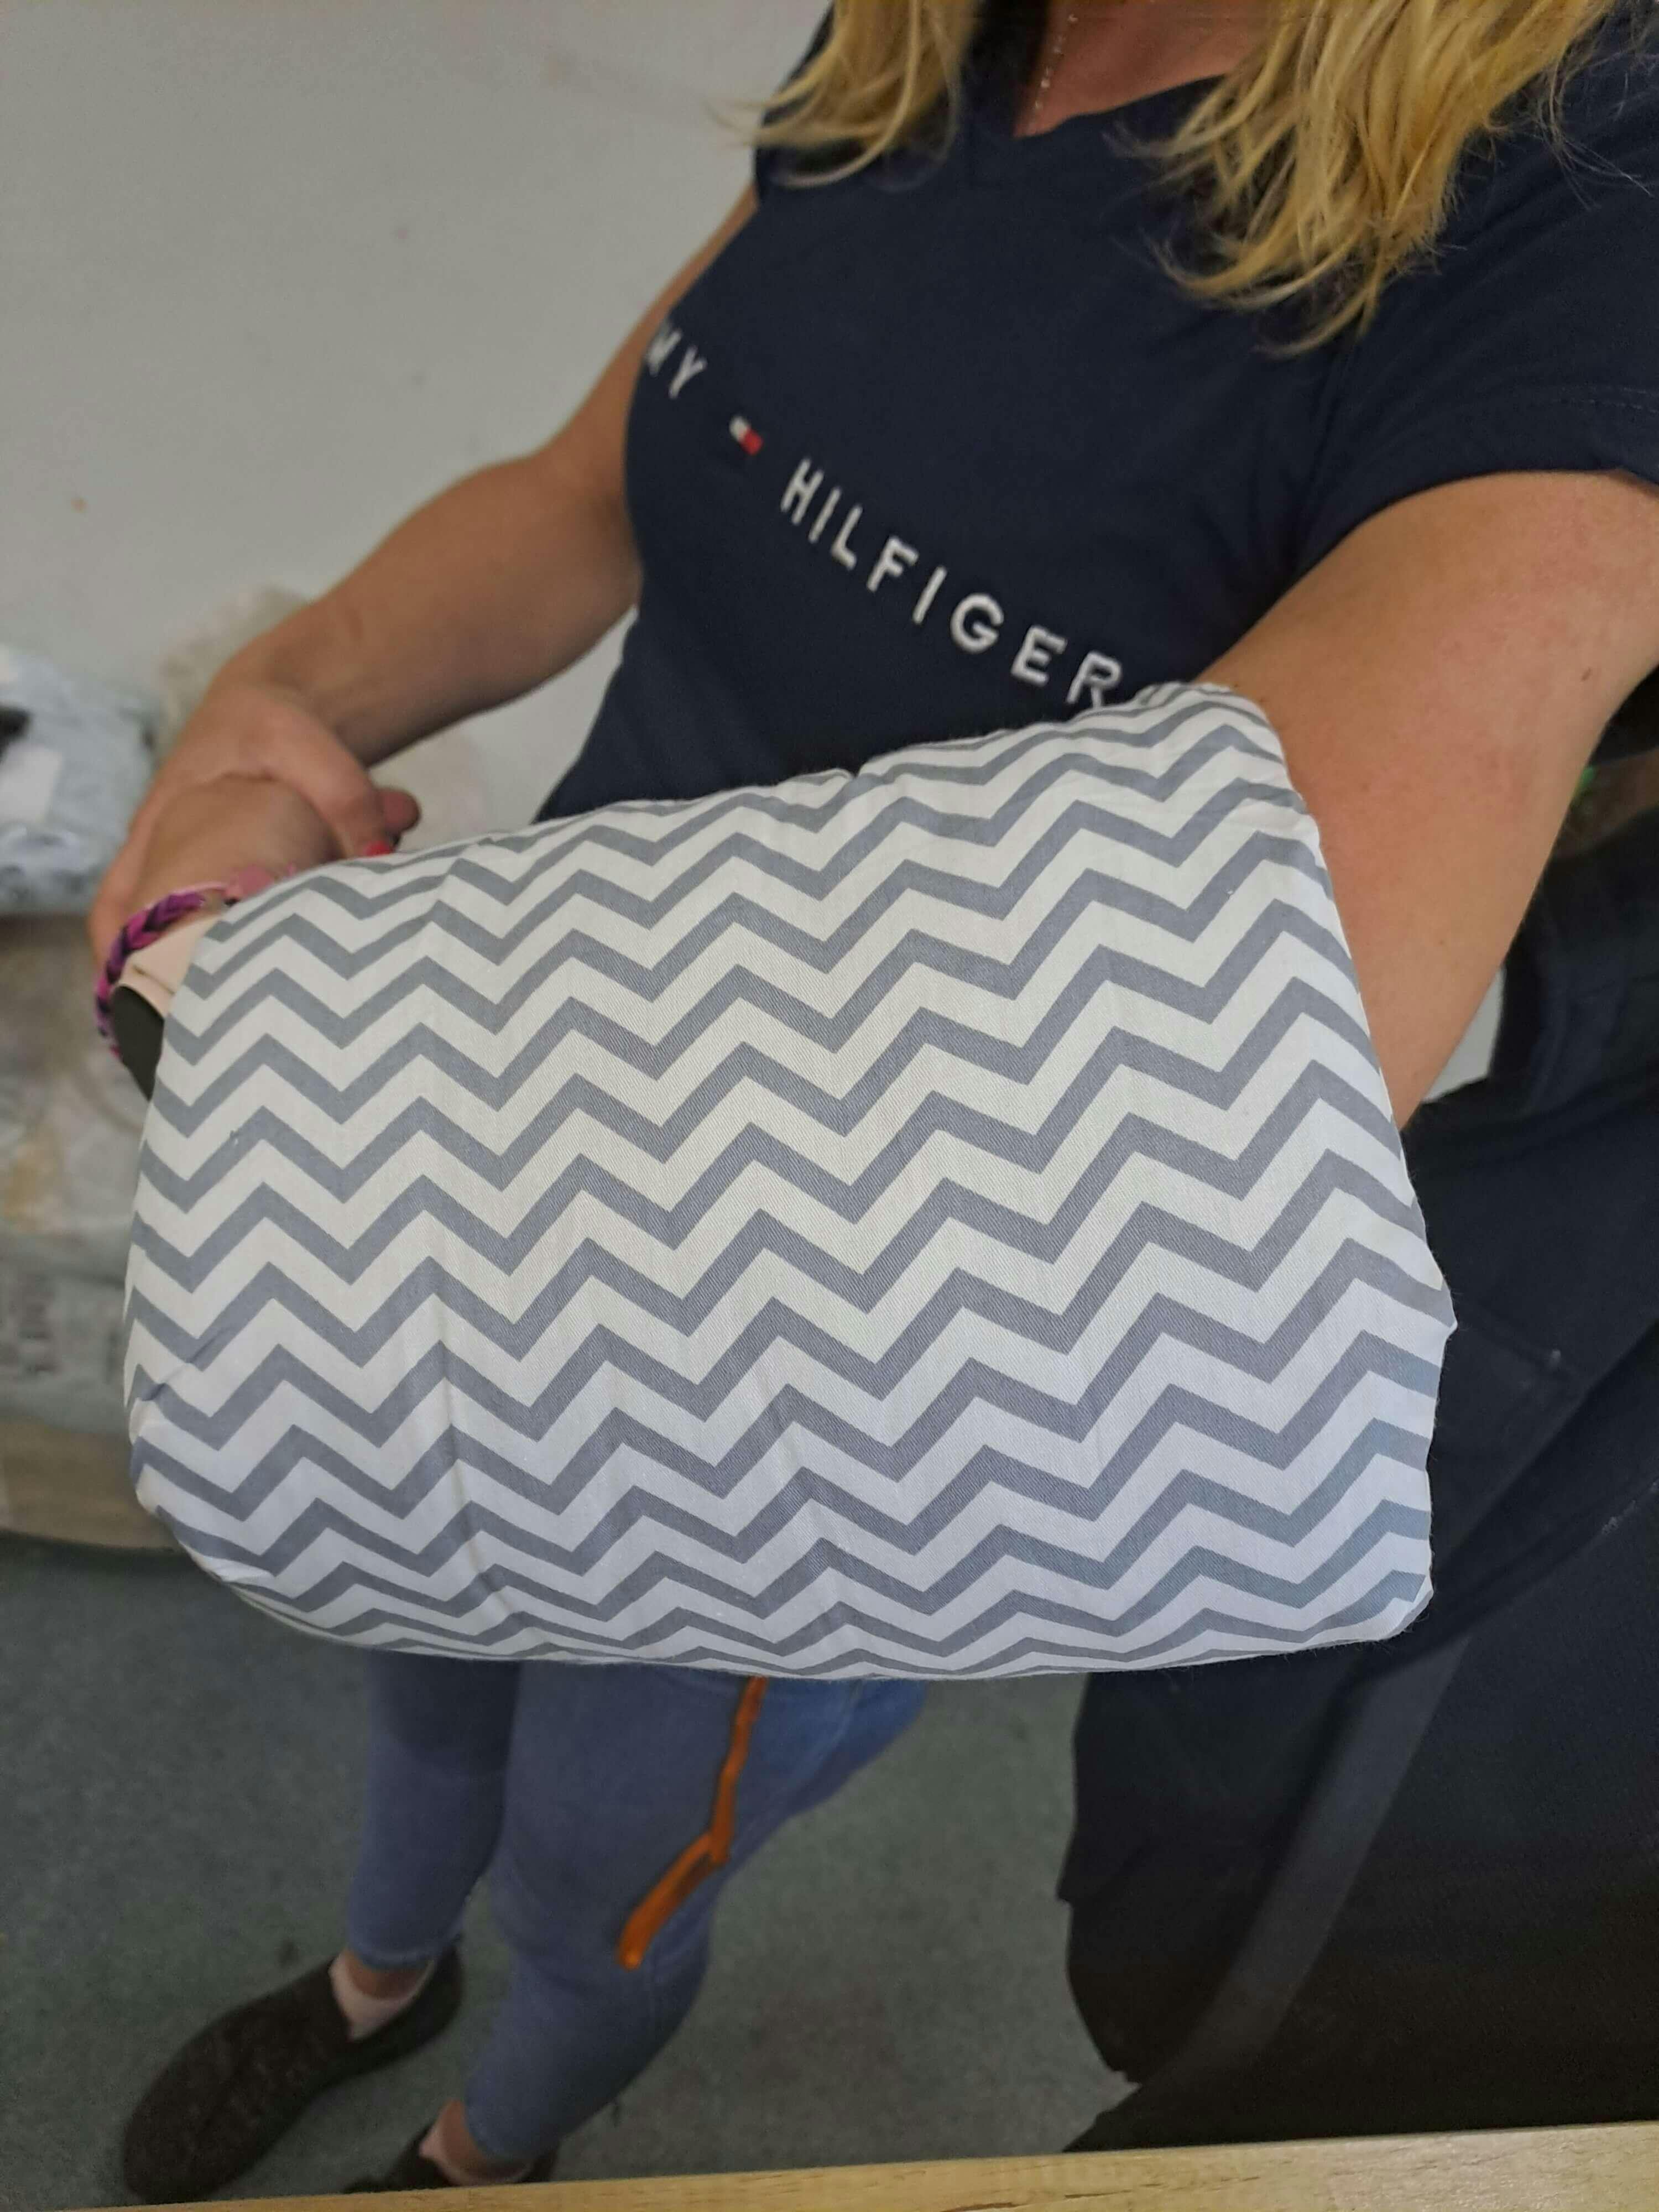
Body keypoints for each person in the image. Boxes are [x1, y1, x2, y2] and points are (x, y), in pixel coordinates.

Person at [100, 0, 1659, 2195]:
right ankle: (375, 1982)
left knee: (598, 1860)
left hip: (799, 1369)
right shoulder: (942, 38)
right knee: (422, 1678)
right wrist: (267, 710)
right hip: (494, 1167)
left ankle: (482, 2147)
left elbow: (1174, 1096)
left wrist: (316, 1056)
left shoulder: (1590, 188)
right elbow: (590, 490)